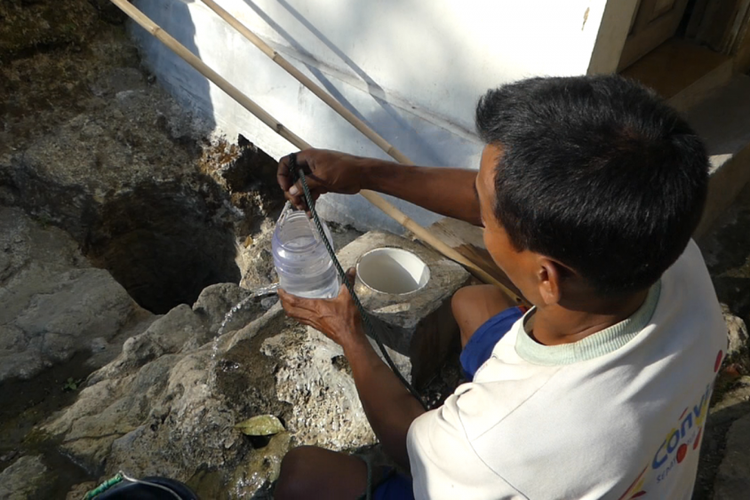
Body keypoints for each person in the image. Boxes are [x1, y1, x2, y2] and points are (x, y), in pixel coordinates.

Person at [272, 75, 728, 500]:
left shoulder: (492, 444)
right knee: (476, 303)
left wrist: (350, 334)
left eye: (486, 216)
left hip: (500, 459)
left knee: (302, 476)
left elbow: (409, 446)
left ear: (547, 278)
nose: (478, 214)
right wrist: (365, 174)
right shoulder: (666, 248)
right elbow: (497, 204)